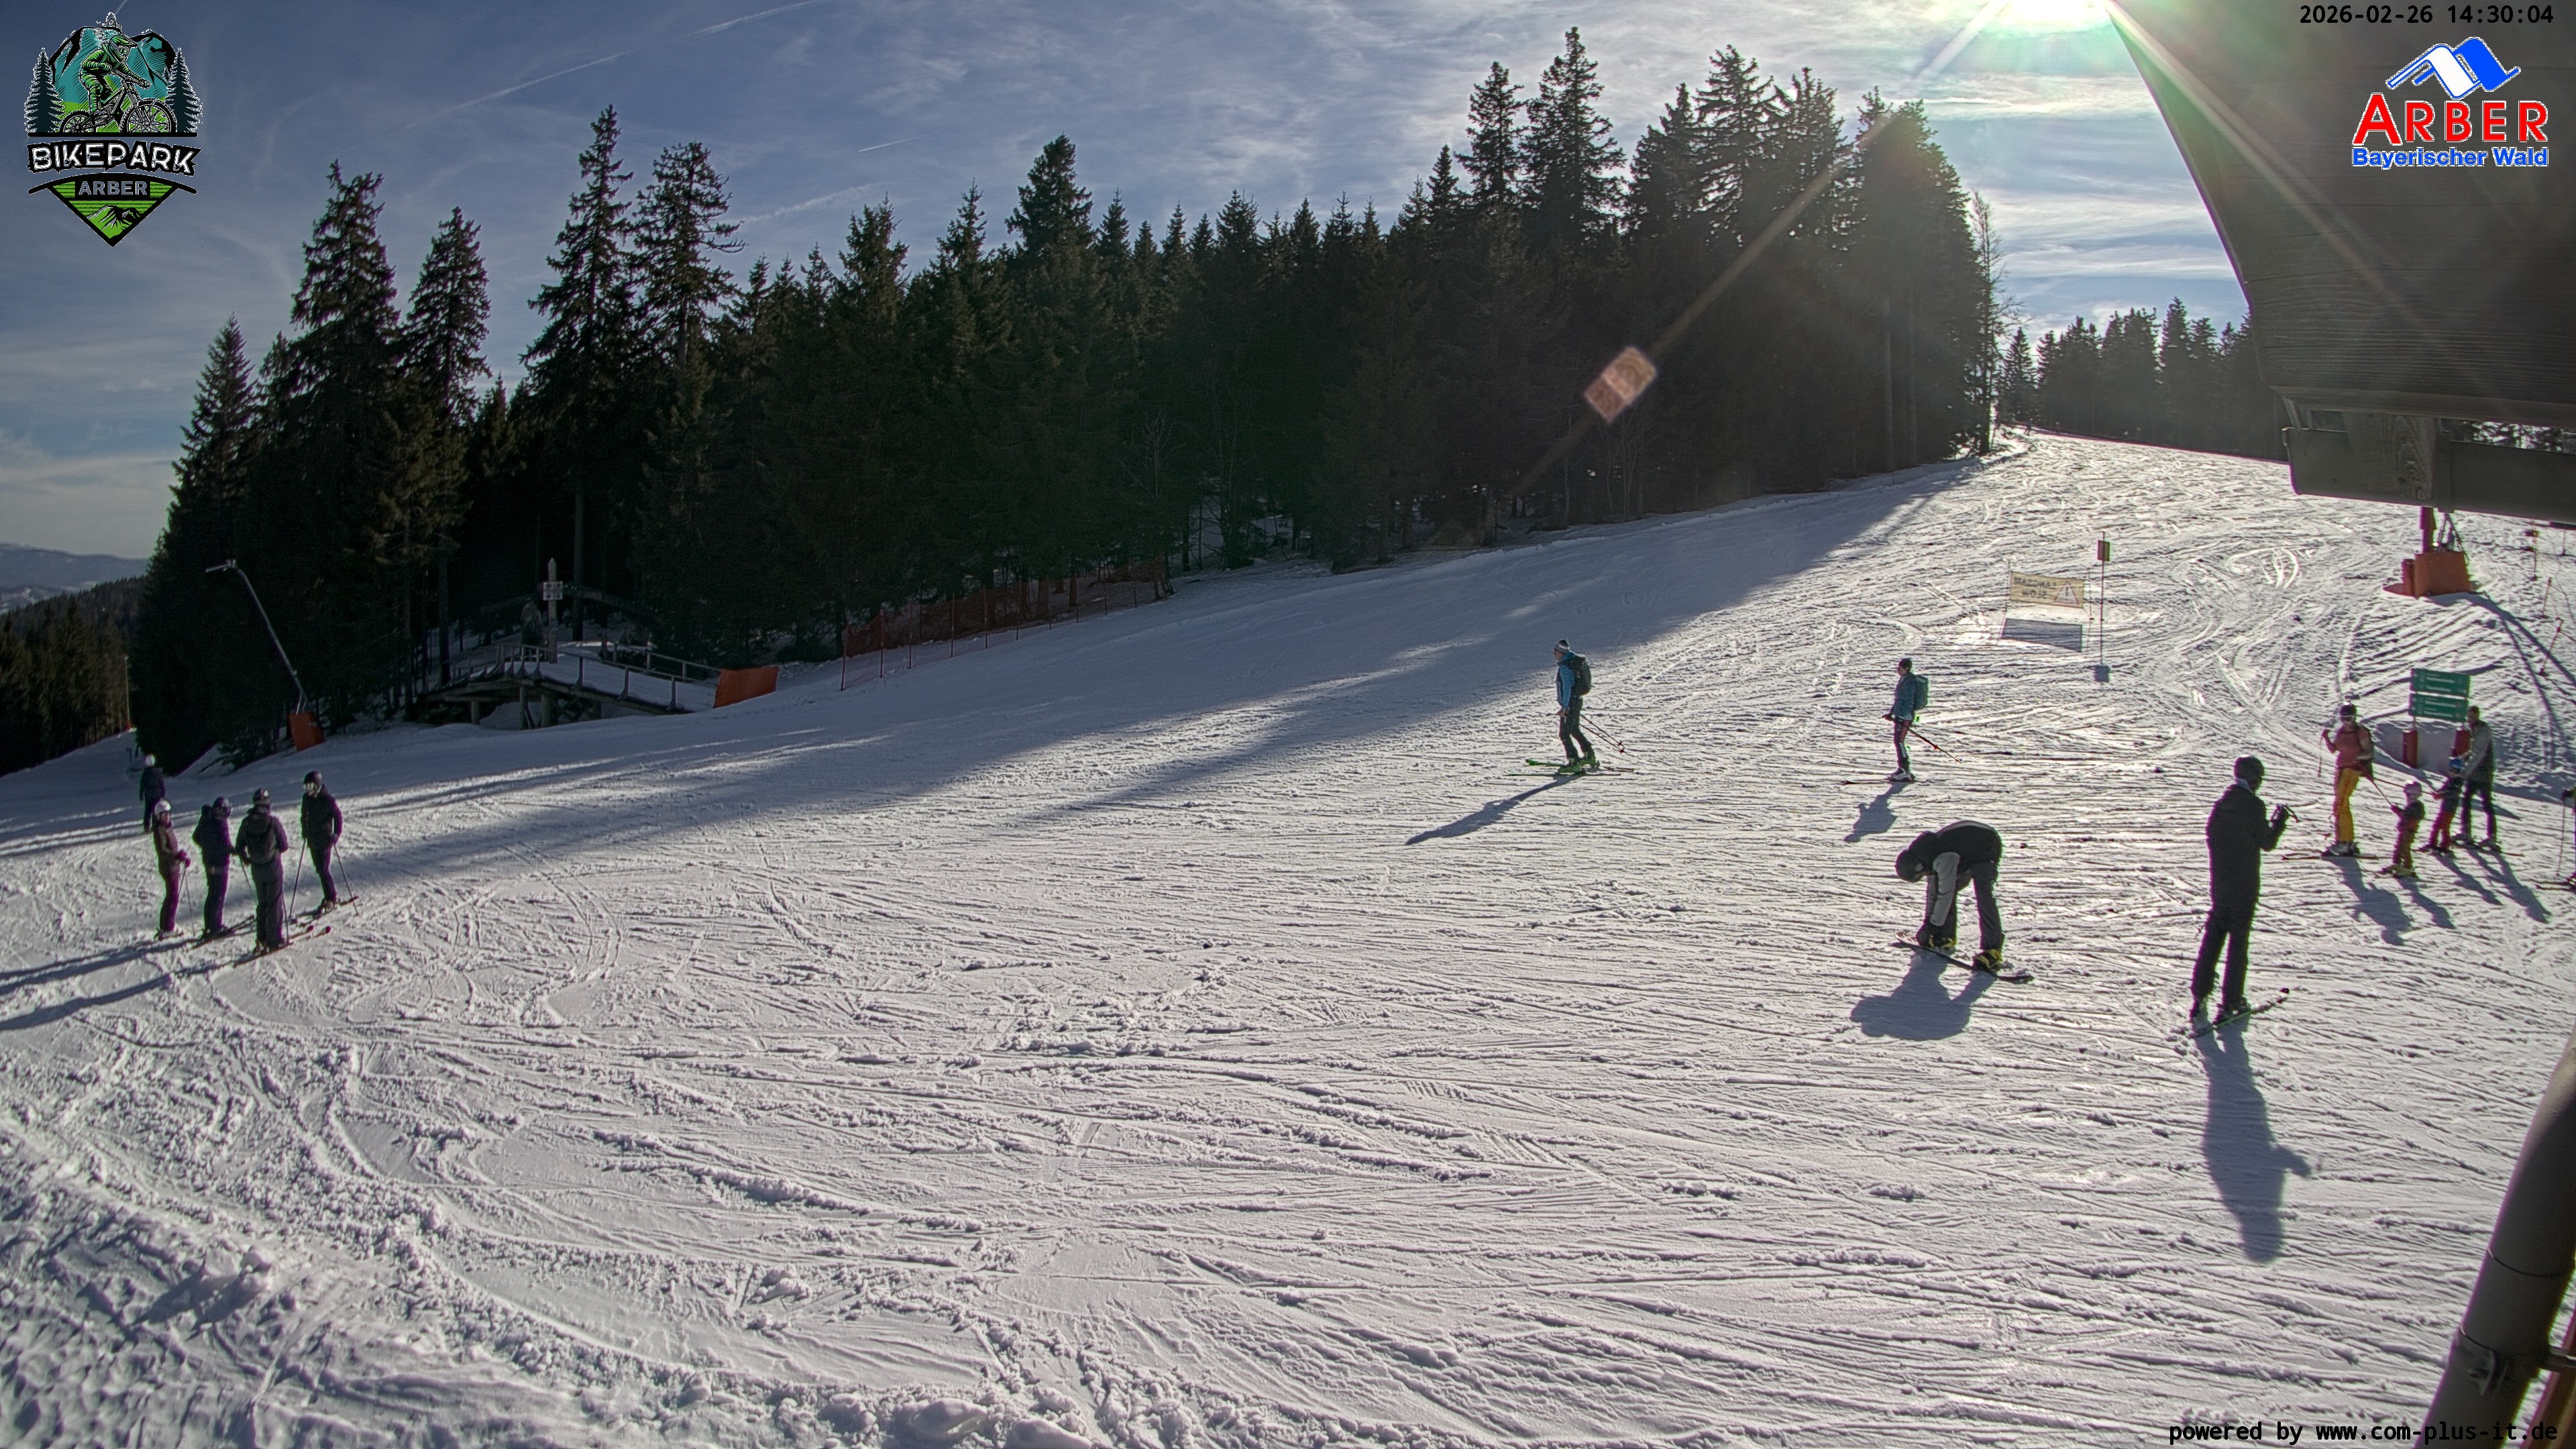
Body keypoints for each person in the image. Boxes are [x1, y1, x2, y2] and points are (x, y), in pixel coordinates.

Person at [2195, 755, 2292, 1022]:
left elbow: (2212, 836)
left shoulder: (2221, 804)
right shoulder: (2254, 805)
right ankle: (2232, 1001)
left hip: (2220, 884)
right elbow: (2267, 842)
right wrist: (2279, 823)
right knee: (2238, 943)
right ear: (2253, 779)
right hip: (2244, 886)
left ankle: (2200, 993)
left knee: (2214, 936)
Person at [1896, 820, 2006, 971]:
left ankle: (1992, 952)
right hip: (1964, 850)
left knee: (1984, 896)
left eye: (1921, 874)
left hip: (1986, 845)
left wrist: (1931, 926)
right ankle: (1945, 936)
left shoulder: (1941, 858)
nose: (1924, 875)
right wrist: (1930, 925)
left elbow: (1945, 895)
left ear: (1918, 867)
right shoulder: (1926, 857)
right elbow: (1933, 893)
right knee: (1942, 887)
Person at [233, 788, 288, 953]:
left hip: (257, 869)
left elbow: (239, 846)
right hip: (273, 868)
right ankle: (274, 940)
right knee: (275, 903)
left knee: (262, 903)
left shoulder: (247, 822)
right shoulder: (272, 822)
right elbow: (284, 845)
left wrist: (247, 859)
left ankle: (261, 938)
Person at [2320, 704, 2373, 857]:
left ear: (2355, 717)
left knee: (2341, 802)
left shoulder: (2360, 732)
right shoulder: (2342, 731)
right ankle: (2346, 841)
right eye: (2344, 719)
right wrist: (2326, 738)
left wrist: (2359, 756)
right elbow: (2334, 749)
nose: (2346, 722)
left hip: (2352, 770)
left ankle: (2343, 842)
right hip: (2341, 769)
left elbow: (2369, 752)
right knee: (2341, 803)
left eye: (2349, 719)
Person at [2453, 705, 2498, 849]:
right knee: (2467, 799)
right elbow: (2473, 751)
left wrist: (2465, 772)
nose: (2470, 719)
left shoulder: (2483, 731)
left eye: (2472, 716)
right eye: (2469, 716)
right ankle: (2466, 831)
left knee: (2486, 802)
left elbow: (2479, 754)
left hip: (2483, 772)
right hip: (2476, 772)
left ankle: (2491, 836)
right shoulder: (2475, 730)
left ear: (2478, 716)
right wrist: (2461, 758)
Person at [301, 771, 344, 908]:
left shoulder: (327, 800)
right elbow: (304, 816)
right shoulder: (306, 799)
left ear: (317, 786)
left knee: (323, 869)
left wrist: (336, 833)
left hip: (325, 840)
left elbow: (338, 817)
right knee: (320, 870)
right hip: (313, 839)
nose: (307, 790)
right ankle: (329, 896)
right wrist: (305, 830)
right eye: (305, 787)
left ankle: (331, 897)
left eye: (310, 786)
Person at [192, 796, 233, 939]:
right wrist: (234, 851)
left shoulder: (205, 819)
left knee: (212, 893)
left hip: (208, 861)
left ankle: (209, 925)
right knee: (219, 894)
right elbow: (225, 844)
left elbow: (196, 837)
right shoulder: (221, 823)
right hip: (220, 862)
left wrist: (207, 847)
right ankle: (216, 926)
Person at [148, 798, 189, 939]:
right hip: (168, 867)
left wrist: (180, 856)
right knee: (173, 897)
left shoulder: (166, 828)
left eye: (168, 813)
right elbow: (163, 850)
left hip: (173, 865)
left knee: (172, 896)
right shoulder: (160, 830)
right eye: (163, 814)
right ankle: (168, 927)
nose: (167, 816)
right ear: (158, 816)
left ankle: (167, 924)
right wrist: (177, 855)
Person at [1552, 641, 1596, 770]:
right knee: (1575, 730)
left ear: (1561, 652)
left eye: (1556, 651)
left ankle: (1574, 762)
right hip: (1576, 701)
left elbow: (1567, 688)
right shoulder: (1573, 662)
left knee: (1564, 734)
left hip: (1570, 703)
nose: (1554, 653)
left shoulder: (1565, 667)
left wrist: (1565, 707)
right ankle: (1589, 755)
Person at [1886, 658, 1929, 784]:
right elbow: (1899, 700)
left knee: (1899, 742)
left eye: (1900, 668)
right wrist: (1892, 713)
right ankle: (1902, 769)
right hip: (1901, 715)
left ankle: (1905, 770)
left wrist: (1902, 716)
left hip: (1905, 717)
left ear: (1907, 669)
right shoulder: (1904, 680)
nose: (1898, 670)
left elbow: (1908, 701)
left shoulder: (1910, 682)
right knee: (1898, 742)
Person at [2386, 782, 2426, 879]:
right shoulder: (2412, 804)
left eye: (2407, 794)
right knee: (2399, 846)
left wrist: (2399, 811)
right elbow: (2405, 814)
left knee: (2405, 848)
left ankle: (2408, 867)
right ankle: (2397, 863)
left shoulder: (2417, 805)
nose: (2406, 797)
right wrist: (2399, 811)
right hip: (2405, 828)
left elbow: (2409, 815)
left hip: (2409, 830)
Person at [2427, 757, 2466, 854]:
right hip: (2445, 807)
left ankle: (2445, 846)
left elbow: (2453, 793)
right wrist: (2438, 793)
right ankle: (2432, 843)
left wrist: (2442, 795)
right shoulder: (2451, 779)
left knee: (2445, 826)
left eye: (2451, 770)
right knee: (2437, 825)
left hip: (2450, 808)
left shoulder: (2458, 781)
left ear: (2456, 770)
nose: (2449, 771)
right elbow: (2444, 789)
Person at [138, 751, 164, 833]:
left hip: (148, 794)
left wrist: (141, 795)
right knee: (155, 811)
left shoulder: (145, 773)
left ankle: (147, 827)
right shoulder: (157, 772)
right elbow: (161, 783)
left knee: (148, 811)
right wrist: (163, 793)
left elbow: (142, 785)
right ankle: (155, 826)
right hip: (157, 794)